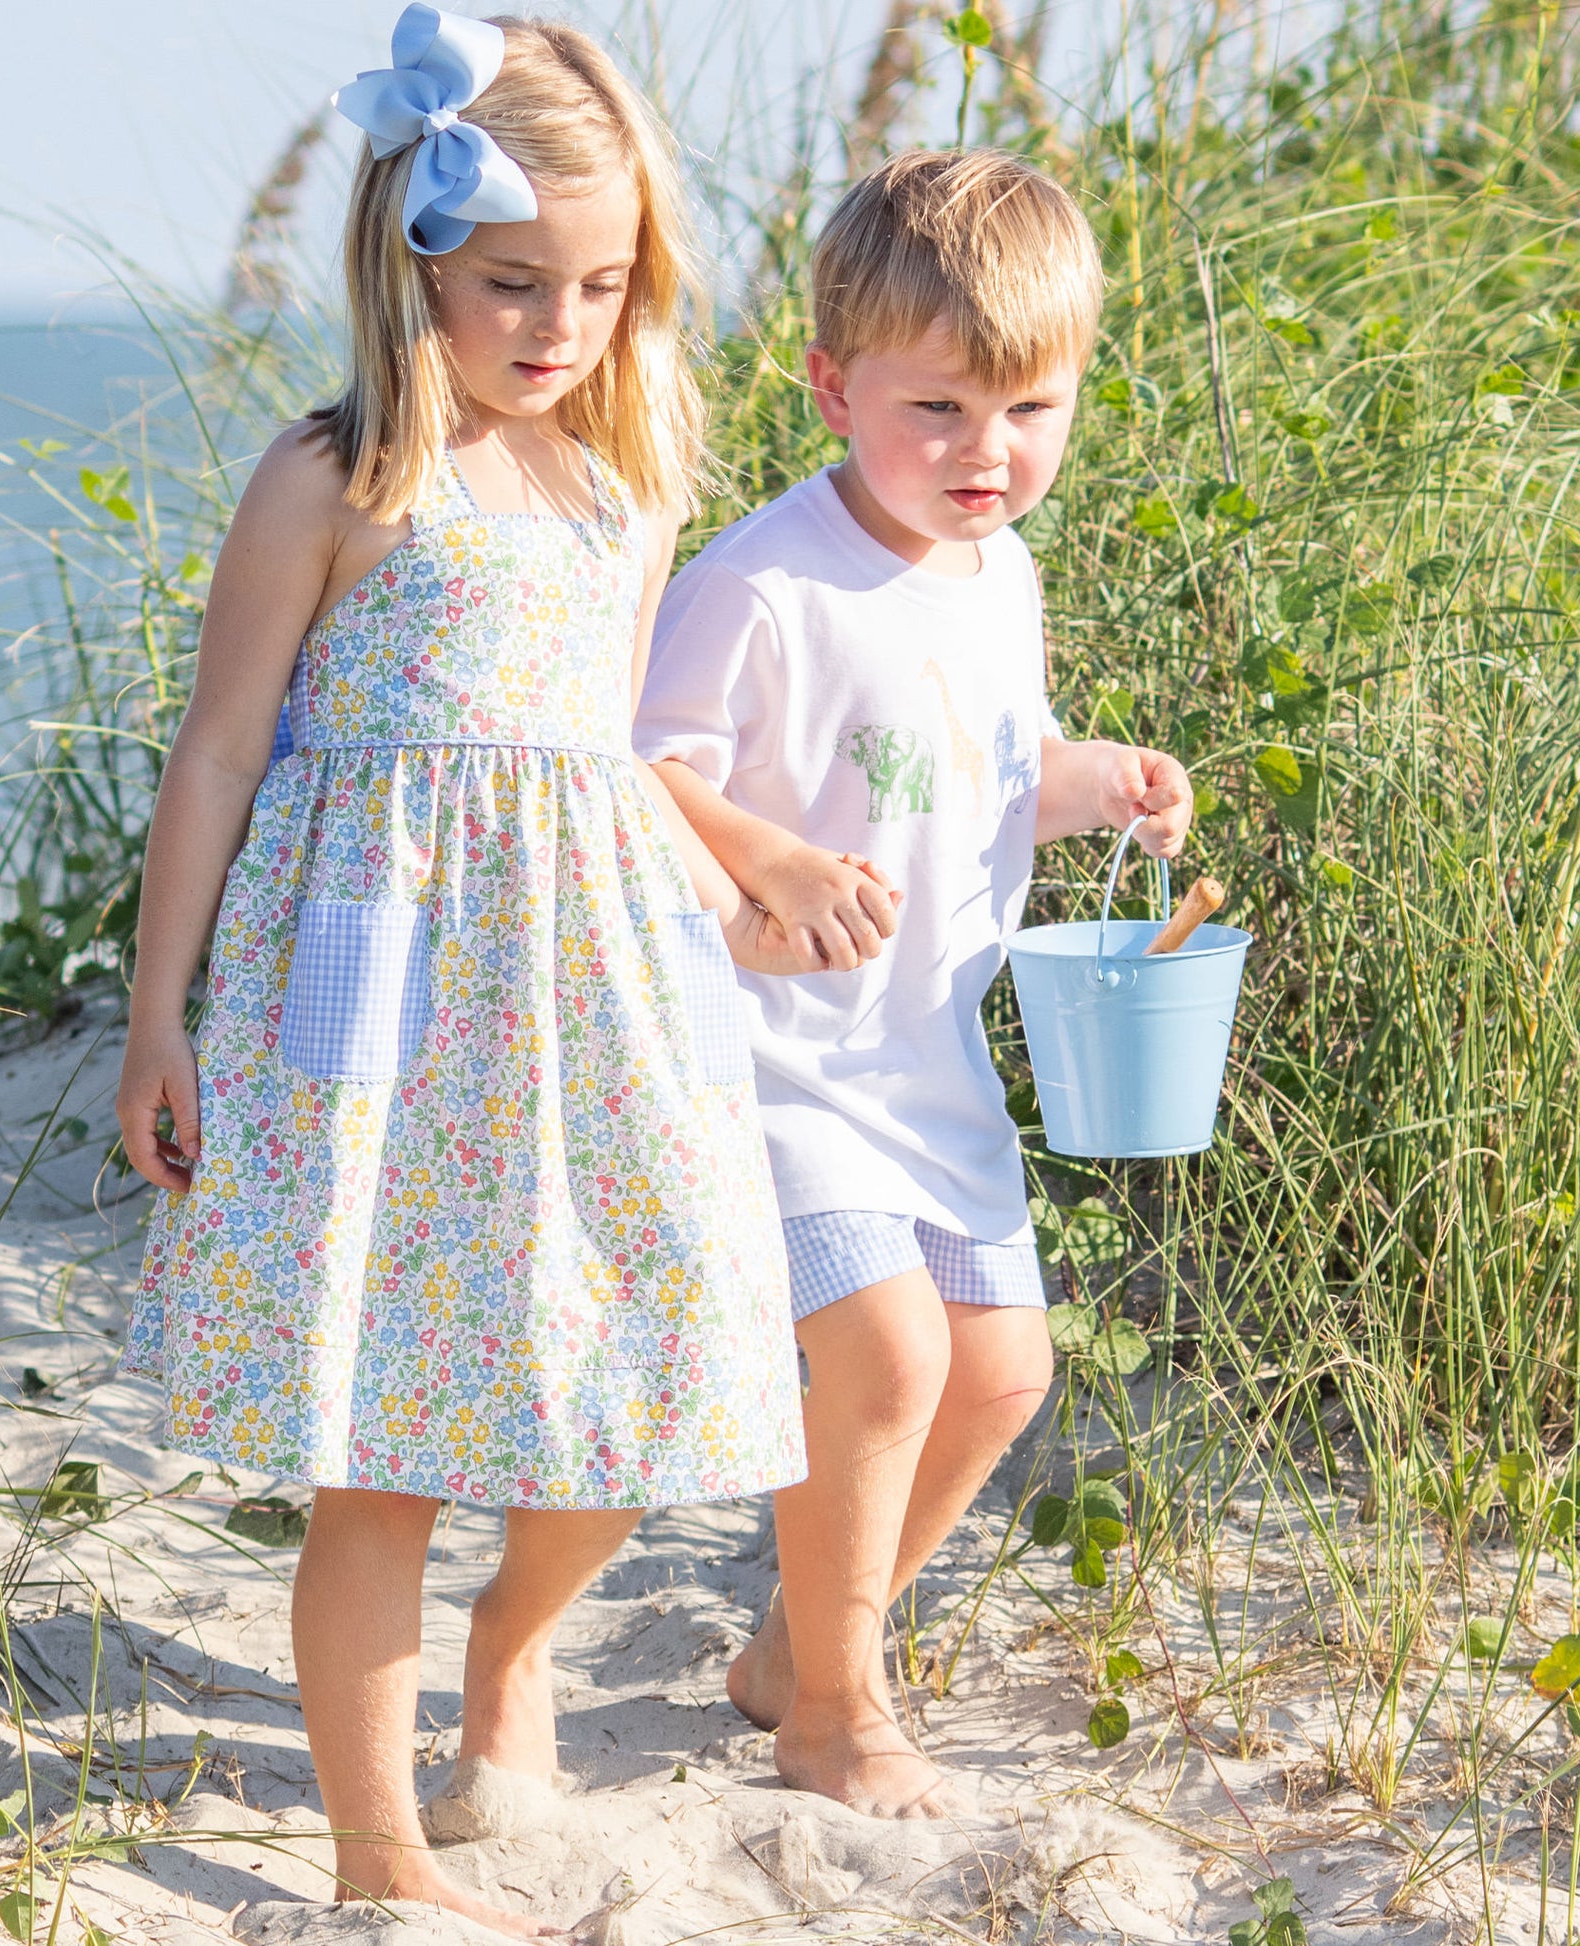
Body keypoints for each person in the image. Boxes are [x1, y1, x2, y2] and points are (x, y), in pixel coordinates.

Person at [115, 7, 807, 1932]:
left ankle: (515, 1652)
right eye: (515, 281)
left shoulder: (626, 478)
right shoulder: (335, 478)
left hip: (595, 997)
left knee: (646, 1365)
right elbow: (222, 751)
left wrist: (740, 864)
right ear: (411, 249)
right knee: (379, 1445)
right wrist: (158, 1011)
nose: (559, 323)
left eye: (601, 284)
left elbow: (606, 757)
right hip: (373, 1005)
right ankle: (375, 1847)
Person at [636, 147, 1194, 1820]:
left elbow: (973, 764)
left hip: (927, 1057)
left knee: (1004, 1371)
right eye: (937, 408)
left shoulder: (997, 570)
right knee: (883, 1360)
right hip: (773, 1054)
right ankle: (830, 1704)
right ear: (829, 385)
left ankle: (799, 1639)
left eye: (1029, 408)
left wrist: (1095, 782)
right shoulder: (761, 582)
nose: (986, 453)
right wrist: (772, 867)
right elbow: (632, 777)